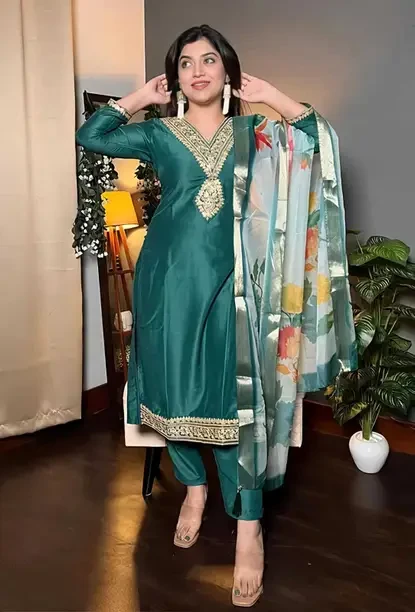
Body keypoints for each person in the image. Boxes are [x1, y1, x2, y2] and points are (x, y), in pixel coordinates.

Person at [76, 24, 356, 608]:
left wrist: (270, 95)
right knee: (171, 393)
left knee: (236, 404)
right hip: (164, 285)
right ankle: (195, 488)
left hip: (238, 288)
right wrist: (141, 97)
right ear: (174, 77)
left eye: (209, 60)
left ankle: (248, 527)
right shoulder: (158, 134)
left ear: (227, 71)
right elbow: (91, 135)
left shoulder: (254, 133)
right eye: (185, 63)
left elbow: (318, 139)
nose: (197, 71)